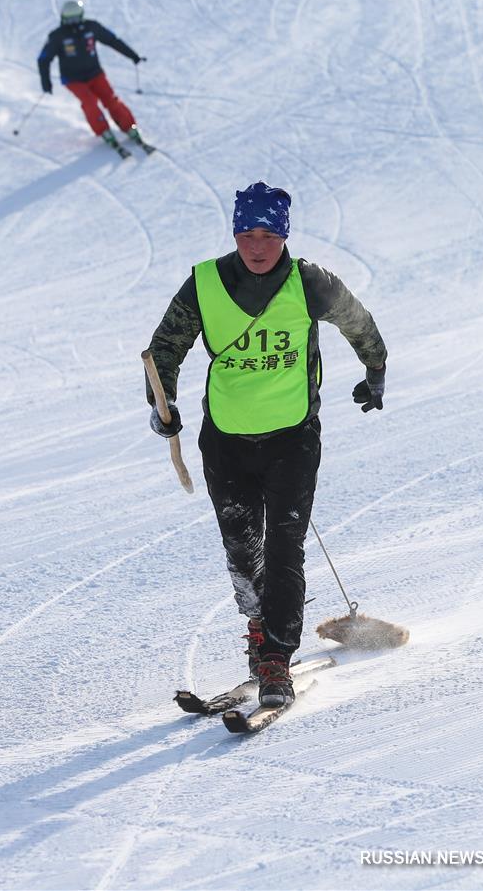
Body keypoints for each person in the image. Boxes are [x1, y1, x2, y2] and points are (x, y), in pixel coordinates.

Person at [145, 182, 388, 707]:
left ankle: (276, 656)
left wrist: (375, 371)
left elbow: (358, 321)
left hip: (292, 438)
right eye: (247, 234)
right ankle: (260, 634)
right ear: (234, 234)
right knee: (242, 550)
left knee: (282, 549)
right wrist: (161, 404)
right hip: (226, 440)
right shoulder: (204, 283)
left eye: (269, 235)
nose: (257, 246)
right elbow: (164, 347)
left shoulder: (309, 282)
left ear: (284, 236)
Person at [38, 0, 148, 154]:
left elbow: (112, 40)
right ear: (63, 18)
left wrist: (133, 55)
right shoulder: (58, 36)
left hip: (95, 73)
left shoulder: (91, 27)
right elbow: (43, 59)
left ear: (81, 16)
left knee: (111, 99)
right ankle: (103, 130)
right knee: (90, 102)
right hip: (73, 79)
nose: (73, 23)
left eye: (76, 19)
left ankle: (129, 126)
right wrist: (46, 82)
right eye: (69, 20)